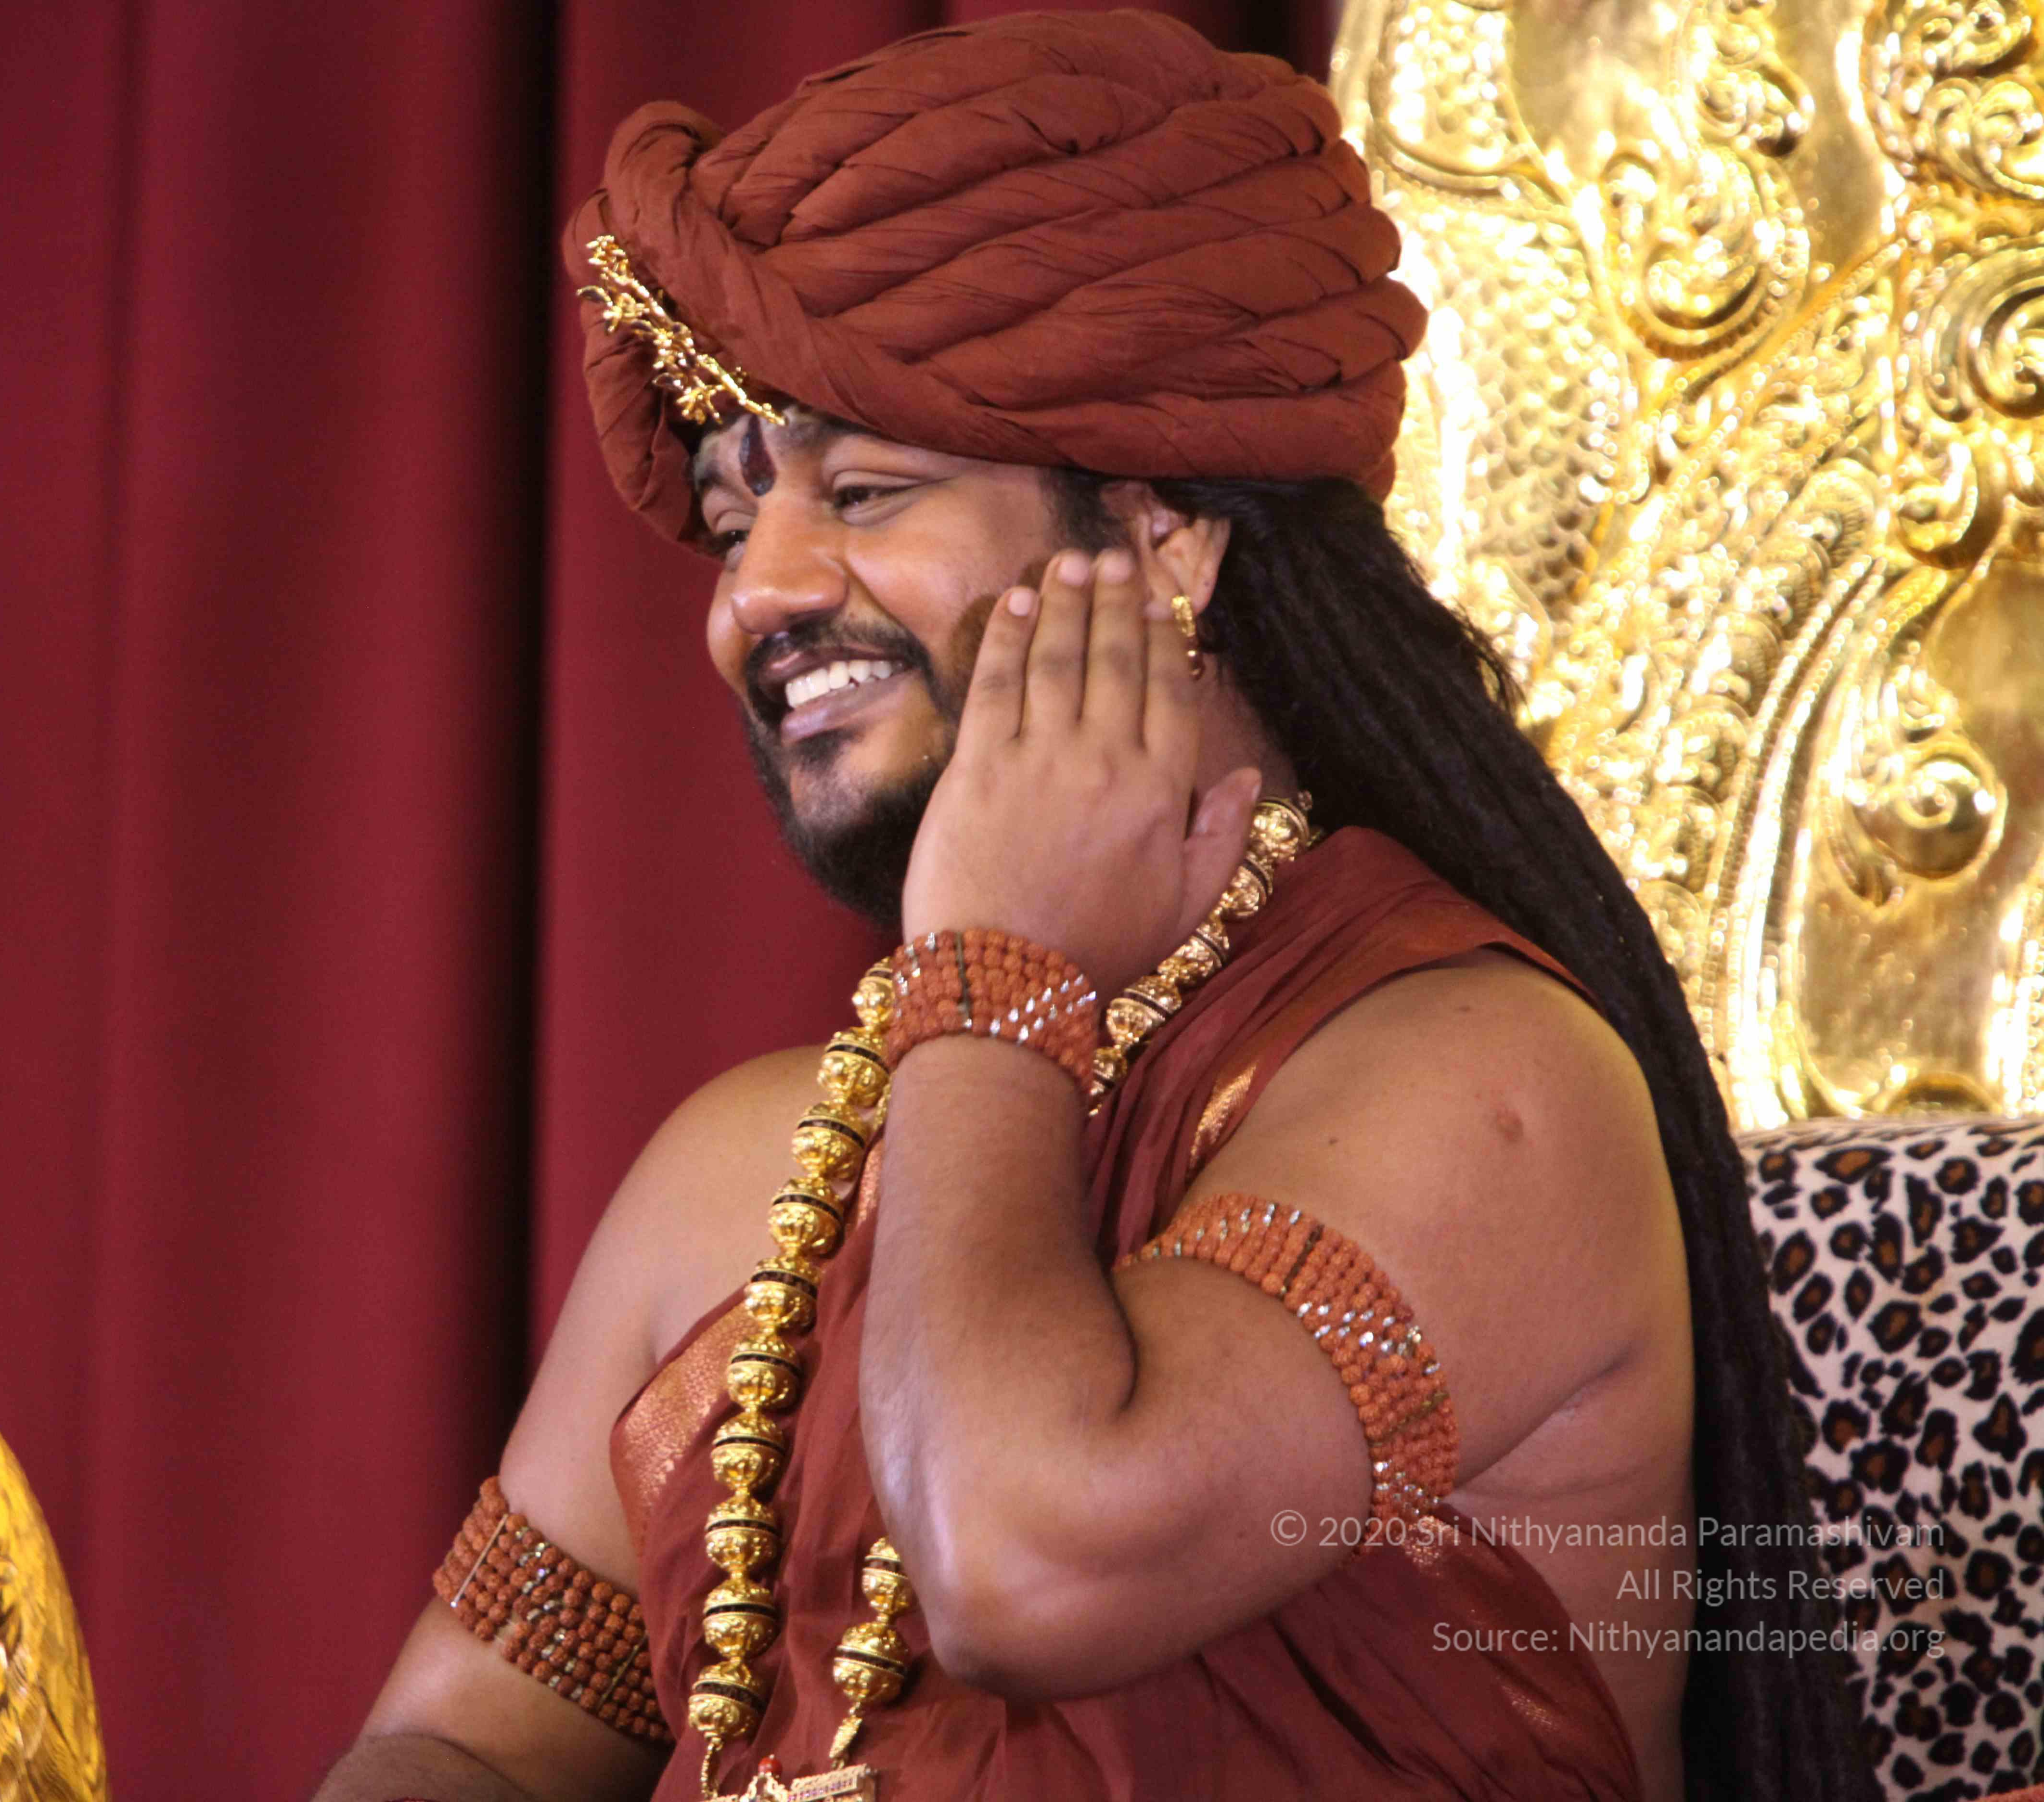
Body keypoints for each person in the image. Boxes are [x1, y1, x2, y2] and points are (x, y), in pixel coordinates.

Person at [316, 12, 1869, 1802]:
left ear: (1162, 541)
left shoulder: (1488, 1087)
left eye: (864, 490)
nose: (756, 600)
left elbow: (1025, 1560)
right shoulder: (746, 1176)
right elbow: (457, 1736)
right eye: (736, 526)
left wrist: (990, 968)